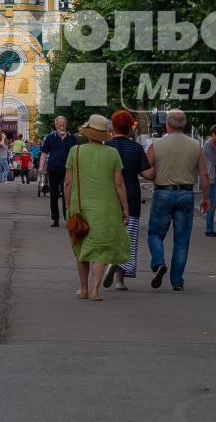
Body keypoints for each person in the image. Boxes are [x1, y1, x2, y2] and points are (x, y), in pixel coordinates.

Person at [140, 108, 207, 292]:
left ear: (167, 124)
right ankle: (177, 281)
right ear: (184, 124)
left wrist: (153, 174)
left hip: (162, 193)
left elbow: (146, 170)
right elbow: (204, 175)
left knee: (155, 233)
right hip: (186, 193)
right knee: (182, 240)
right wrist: (206, 199)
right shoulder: (196, 146)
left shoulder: (157, 145)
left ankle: (158, 262)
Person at [65, 114, 130, 301]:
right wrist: (125, 207)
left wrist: (69, 205)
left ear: (88, 133)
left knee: (82, 248)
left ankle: (83, 289)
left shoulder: (75, 152)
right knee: (99, 250)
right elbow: (119, 184)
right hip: (106, 210)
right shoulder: (112, 154)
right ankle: (95, 290)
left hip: (80, 208)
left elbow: (68, 183)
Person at [103, 110, 149, 290]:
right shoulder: (136, 148)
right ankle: (120, 280)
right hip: (131, 196)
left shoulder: (106, 146)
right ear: (130, 128)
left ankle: (108, 264)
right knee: (128, 237)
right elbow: (146, 173)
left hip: (108, 195)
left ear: (112, 127)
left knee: (109, 234)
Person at [41, 115, 73, 226]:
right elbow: (44, 153)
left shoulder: (72, 138)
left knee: (67, 194)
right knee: (53, 195)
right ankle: (55, 219)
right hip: (53, 169)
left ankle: (67, 217)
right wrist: (41, 167)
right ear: (56, 125)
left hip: (67, 170)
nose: (61, 127)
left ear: (66, 125)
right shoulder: (50, 138)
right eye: (59, 125)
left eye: (63, 125)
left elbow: (76, 154)